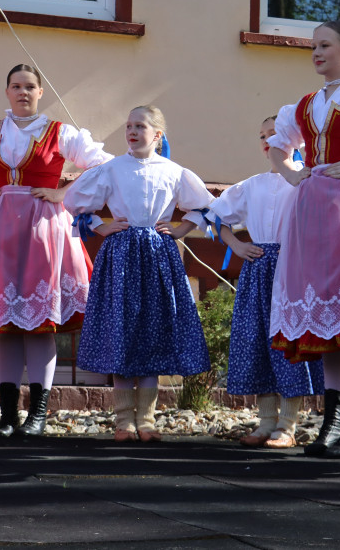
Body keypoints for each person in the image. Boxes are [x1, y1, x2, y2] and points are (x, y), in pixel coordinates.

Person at [0, 64, 111, 439]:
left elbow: (102, 165)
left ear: (40, 93)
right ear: (7, 91)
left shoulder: (60, 133)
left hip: (44, 230)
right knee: (6, 325)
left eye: (30, 87)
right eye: (16, 86)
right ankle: (7, 416)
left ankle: (37, 415)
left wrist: (63, 194)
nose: (23, 92)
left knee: (39, 324)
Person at [267, 21, 340, 459]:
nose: (315, 52)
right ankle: (333, 419)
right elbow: (279, 147)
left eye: (325, 45)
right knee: (330, 317)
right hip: (313, 209)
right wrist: (293, 173)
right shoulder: (304, 104)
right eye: (312, 46)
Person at [63, 105, 213, 442]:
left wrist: (180, 229)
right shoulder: (113, 168)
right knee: (123, 332)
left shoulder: (173, 171)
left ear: (157, 134)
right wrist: (102, 226)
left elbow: (203, 206)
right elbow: (75, 201)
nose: (131, 131)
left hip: (158, 256)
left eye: (140, 126)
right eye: (128, 125)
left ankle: (146, 420)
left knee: (151, 335)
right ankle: (123, 422)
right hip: (121, 256)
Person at [208, 116, 324, 448]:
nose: (266, 140)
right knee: (261, 341)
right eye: (261, 135)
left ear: (295, 139)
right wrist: (238, 245)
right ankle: (265, 422)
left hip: (294, 271)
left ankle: (287, 426)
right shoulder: (252, 185)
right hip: (259, 270)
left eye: (273, 133)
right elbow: (217, 218)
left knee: (289, 342)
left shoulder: (307, 179)